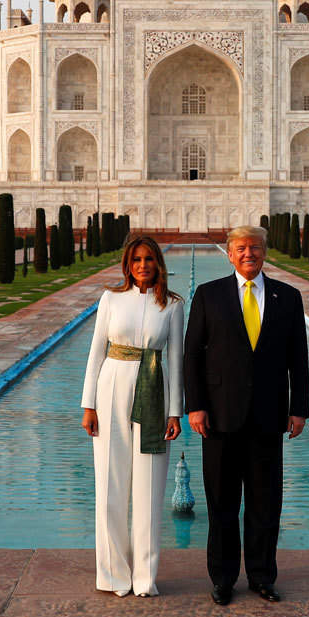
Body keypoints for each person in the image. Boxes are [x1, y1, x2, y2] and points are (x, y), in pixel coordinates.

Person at [183, 225, 309, 606]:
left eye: (254, 247)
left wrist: (298, 409)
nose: (248, 253)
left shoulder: (287, 296)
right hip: (219, 417)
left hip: (268, 416)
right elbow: (193, 355)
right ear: (229, 253)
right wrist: (195, 405)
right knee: (221, 502)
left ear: (265, 252)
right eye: (240, 248)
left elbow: (298, 359)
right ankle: (222, 578)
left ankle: (261, 576)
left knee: (264, 502)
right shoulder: (209, 294)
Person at [80, 235, 183, 597]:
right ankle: (112, 575)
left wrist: (175, 412)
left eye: (149, 259)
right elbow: (96, 352)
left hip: (154, 389)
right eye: (137, 259)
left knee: (150, 488)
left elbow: (176, 360)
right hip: (111, 389)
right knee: (110, 485)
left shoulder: (171, 305)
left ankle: (144, 578)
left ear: (158, 264)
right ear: (128, 263)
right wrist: (88, 404)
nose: (143, 265)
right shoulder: (111, 298)